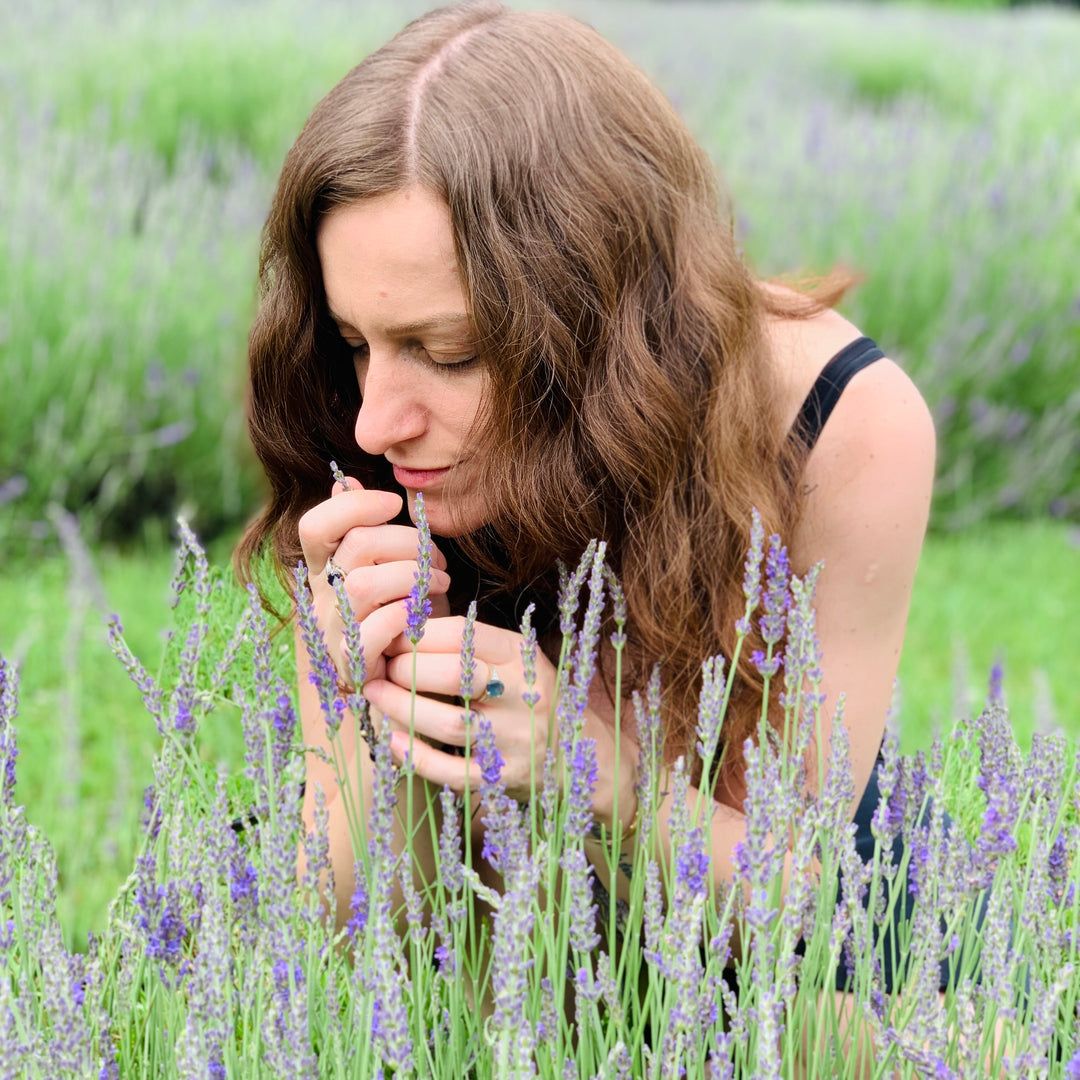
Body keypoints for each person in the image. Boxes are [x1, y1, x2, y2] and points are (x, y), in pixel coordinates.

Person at [235, 0, 934, 1011]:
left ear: (604, 330)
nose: (379, 419)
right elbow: (338, 950)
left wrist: (606, 775)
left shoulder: (839, 423)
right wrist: (355, 715)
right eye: (355, 340)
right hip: (483, 956)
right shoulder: (358, 429)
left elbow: (804, 902)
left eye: (450, 352)